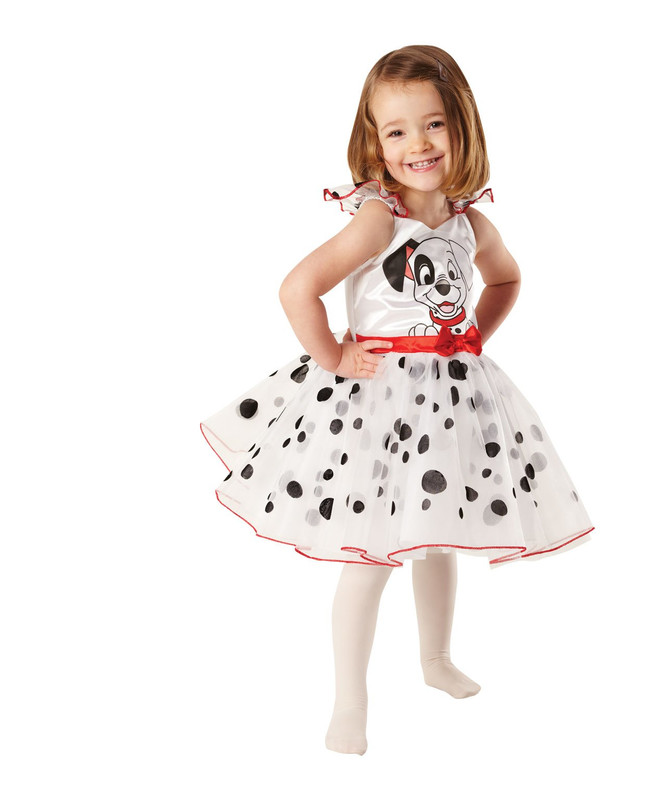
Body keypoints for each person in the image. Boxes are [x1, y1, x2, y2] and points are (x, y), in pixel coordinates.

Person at [200, 44, 594, 756]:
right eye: (398, 130)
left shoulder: (472, 223)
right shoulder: (379, 219)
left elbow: (506, 280)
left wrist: (470, 339)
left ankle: (435, 659)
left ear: (462, 127)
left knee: (440, 531)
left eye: (434, 124)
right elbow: (298, 289)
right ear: (375, 141)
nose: (419, 143)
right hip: (377, 406)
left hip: (452, 402)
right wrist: (335, 356)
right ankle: (349, 702)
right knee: (371, 553)